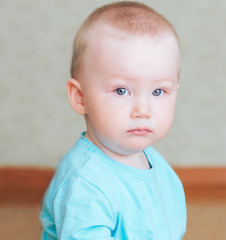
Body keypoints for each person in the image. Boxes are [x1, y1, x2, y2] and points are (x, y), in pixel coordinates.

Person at [39, 2, 186, 239]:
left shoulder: (158, 167)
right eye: (121, 90)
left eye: (158, 92)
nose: (142, 110)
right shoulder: (85, 184)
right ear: (80, 97)